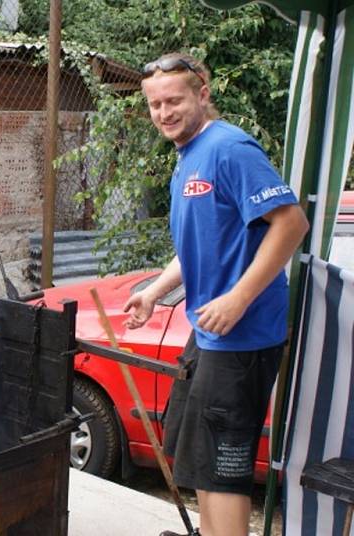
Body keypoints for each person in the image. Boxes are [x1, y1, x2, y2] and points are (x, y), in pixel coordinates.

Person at [124, 52, 309, 536]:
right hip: (209, 335)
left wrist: (239, 297)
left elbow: (292, 223)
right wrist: (154, 292)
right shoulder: (189, 158)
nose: (165, 113)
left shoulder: (230, 149)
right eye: (155, 105)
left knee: (225, 473)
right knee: (205, 464)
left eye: (175, 101)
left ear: (203, 94)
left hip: (243, 339)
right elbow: (203, 245)